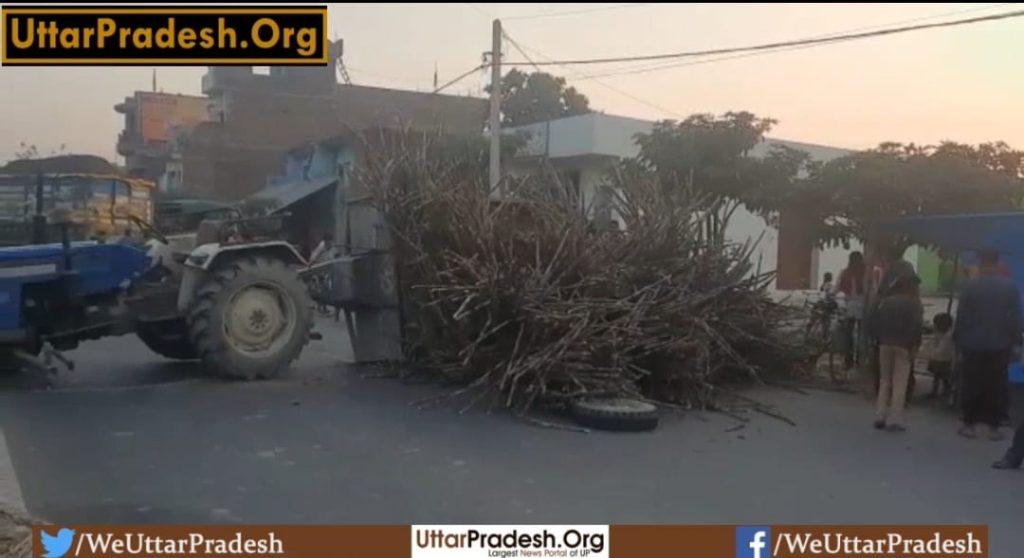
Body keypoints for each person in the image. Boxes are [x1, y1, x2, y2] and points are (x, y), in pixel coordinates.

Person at [953, 249, 1022, 440]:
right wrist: (1015, 342)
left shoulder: (970, 287)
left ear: (981, 263)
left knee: (972, 382)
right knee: (996, 384)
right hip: (1000, 344)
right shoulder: (1010, 287)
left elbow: (962, 317)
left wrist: (957, 342)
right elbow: (1016, 318)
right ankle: (993, 427)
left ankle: (969, 424)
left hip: (972, 344)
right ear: (997, 263)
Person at [867, 276, 923, 432]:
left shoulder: (885, 302)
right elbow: (916, 327)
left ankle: (880, 415)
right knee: (900, 383)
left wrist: (877, 340)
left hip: (884, 344)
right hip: (903, 346)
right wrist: (914, 347)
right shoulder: (914, 305)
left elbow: (873, 322)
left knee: (885, 380)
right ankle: (895, 419)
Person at [837, 252, 867, 369]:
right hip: (863, 306)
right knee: (862, 335)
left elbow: (837, 287)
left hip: (850, 305)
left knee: (848, 334)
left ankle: (848, 360)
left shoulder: (845, 272)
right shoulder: (866, 272)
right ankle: (860, 360)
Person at [922, 313, 955, 399]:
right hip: (943, 360)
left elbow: (940, 351)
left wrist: (929, 350)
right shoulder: (942, 335)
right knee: (939, 371)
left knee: (939, 369)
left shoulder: (947, 337)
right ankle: (942, 389)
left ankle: (942, 390)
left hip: (945, 361)